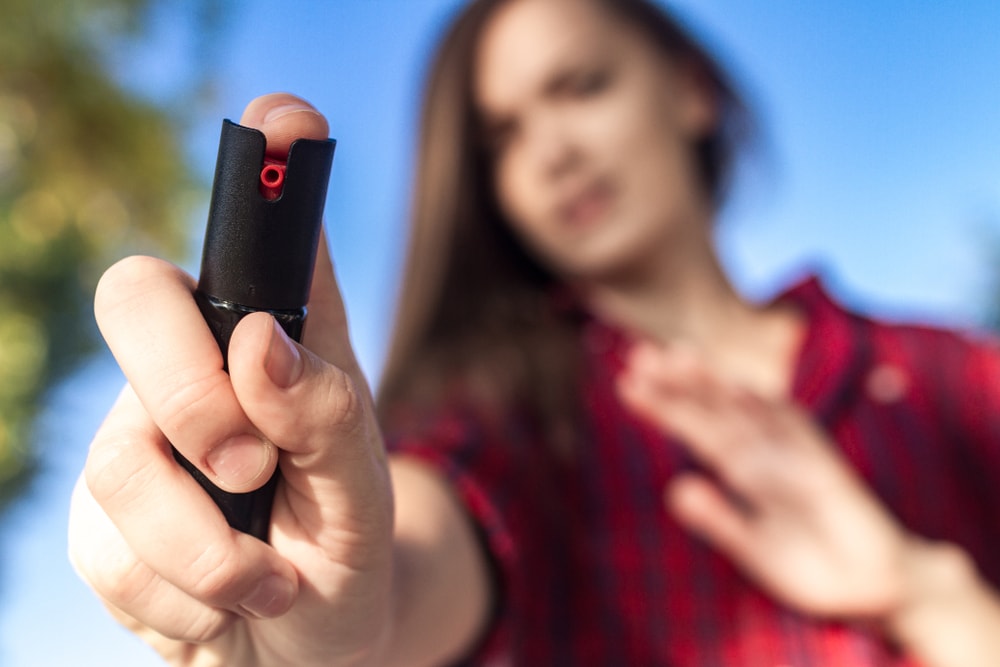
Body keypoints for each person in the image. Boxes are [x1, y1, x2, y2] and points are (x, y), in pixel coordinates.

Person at [68, 0, 1000, 665]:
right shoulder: (503, 417)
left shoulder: (954, 374)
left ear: (689, 91)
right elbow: (415, 547)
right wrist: (346, 590)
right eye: (502, 137)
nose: (551, 151)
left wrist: (929, 593)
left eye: (581, 86)